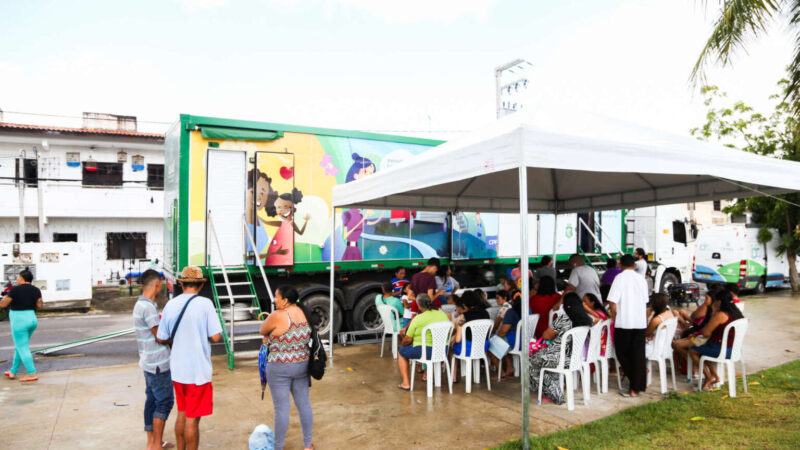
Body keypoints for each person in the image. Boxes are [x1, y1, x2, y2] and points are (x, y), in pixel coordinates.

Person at [156, 266, 222, 450]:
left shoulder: (171, 304)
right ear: (201, 285)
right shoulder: (205, 304)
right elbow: (216, 336)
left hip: (178, 370)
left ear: (181, 283)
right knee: (192, 420)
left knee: (182, 413)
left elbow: (161, 337)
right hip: (198, 372)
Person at [259, 285, 314, 450]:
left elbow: (263, 330)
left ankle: (278, 446)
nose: (274, 299)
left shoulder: (277, 315)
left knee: (281, 408)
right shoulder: (305, 312)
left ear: (285, 300)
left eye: (276, 297)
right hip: (302, 365)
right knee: (304, 404)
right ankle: (307, 444)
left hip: (279, 367)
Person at [133, 269, 174, 450]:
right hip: (158, 363)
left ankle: (152, 442)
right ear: (157, 284)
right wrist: (176, 339)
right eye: (161, 284)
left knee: (151, 400)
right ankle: (156, 445)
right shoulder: (148, 307)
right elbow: (160, 337)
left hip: (147, 362)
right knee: (164, 402)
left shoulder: (139, 304)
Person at [528, 292, 593, 404]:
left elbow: (546, 336)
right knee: (542, 362)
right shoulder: (586, 320)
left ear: (566, 306)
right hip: (575, 358)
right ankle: (547, 389)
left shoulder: (564, 319)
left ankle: (553, 392)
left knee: (530, 361)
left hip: (558, 358)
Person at [607, 254, 649, 397]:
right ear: (634, 265)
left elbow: (612, 302)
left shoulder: (619, 279)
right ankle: (638, 384)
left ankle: (635, 385)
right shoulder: (641, 279)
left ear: (620, 265)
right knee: (638, 355)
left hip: (624, 322)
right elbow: (645, 300)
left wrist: (614, 316)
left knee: (622, 354)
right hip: (639, 322)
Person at [688, 289, 744, 391]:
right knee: (704, 350)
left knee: (693, 350)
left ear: (719, 302)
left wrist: (713, 311)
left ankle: (709, 377)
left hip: (722, 349)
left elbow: (706, 332)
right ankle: (715, 377)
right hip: (734, 349)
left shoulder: (721, 315)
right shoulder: (737, 313)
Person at [396, 294, 449, 390]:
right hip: (442, 351)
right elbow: (449, 332)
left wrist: (401, 343)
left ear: (418, 305)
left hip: (426, 352)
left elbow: (408, 339)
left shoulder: (418, 318)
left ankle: (406, 383)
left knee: (401, 352)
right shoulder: (442, 314)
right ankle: (427, 375)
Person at [0, 269, 42, 382]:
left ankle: (32, 373)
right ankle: (13, 371)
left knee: (22, 347)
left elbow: (3, 304)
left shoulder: (15, 290)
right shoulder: (36, 290)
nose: (17, 279)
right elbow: (39, 305)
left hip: (20, 321)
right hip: (32, 319)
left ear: (22, 278)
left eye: (18, 277)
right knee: (20, 346)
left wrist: (5, 297)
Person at [490, 290, 520, 380]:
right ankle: (510, 367)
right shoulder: (524, 309)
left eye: (498, 298)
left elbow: (501, 329)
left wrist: (495, 336)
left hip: (512, 338)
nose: (496, 300)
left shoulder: (506, 310)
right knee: (501, 342)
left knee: (490, 346)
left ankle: (501, 372)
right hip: (520, 338)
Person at [644, 293, 677, 358]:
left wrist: (646, 316)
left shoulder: (656, 320)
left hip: (656, 350)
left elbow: (646, 334)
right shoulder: (669, 313)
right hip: (667, 348)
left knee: (634, 348)